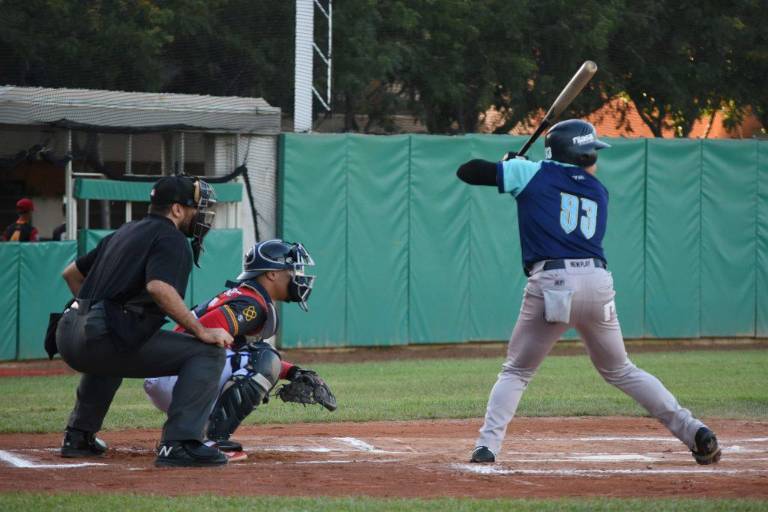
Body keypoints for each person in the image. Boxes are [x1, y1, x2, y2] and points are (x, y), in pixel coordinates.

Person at [456, 119, 721, 466]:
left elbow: (468, 171)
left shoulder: (533, 173)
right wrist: (515, 169)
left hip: (553, 284)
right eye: (591, 150)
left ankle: (487, 447)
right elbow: (551, 184)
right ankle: (694, 431)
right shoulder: (597, 189)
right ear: (576, 152)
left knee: (517, 372)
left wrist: (508, 168)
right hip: (597, 283)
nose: (594, 157)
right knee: (622, 370)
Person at [55, 174, 235, 468]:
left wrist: (94, 314)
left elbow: (71, 274)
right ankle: (180, 444)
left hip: (68, 332)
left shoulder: (126, 231)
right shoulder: (172, 238)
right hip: (99, 333)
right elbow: (158, 287)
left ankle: (78, 437)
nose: (201, 215)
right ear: (177, 210)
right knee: (208, 352)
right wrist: (201, 330)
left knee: (117, 342)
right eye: (197, 208)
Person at [144, 239, 336, 459]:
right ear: (271, 274)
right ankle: (210, 439)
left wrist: (292, 371)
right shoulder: (250, 304)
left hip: (173, 372)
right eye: (292, 269)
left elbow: (233, 348)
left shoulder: (248, 297)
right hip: (178, 374)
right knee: (264, 358)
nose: (297, 276)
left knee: (262, 357)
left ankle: (190, 432)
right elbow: (204, 333)